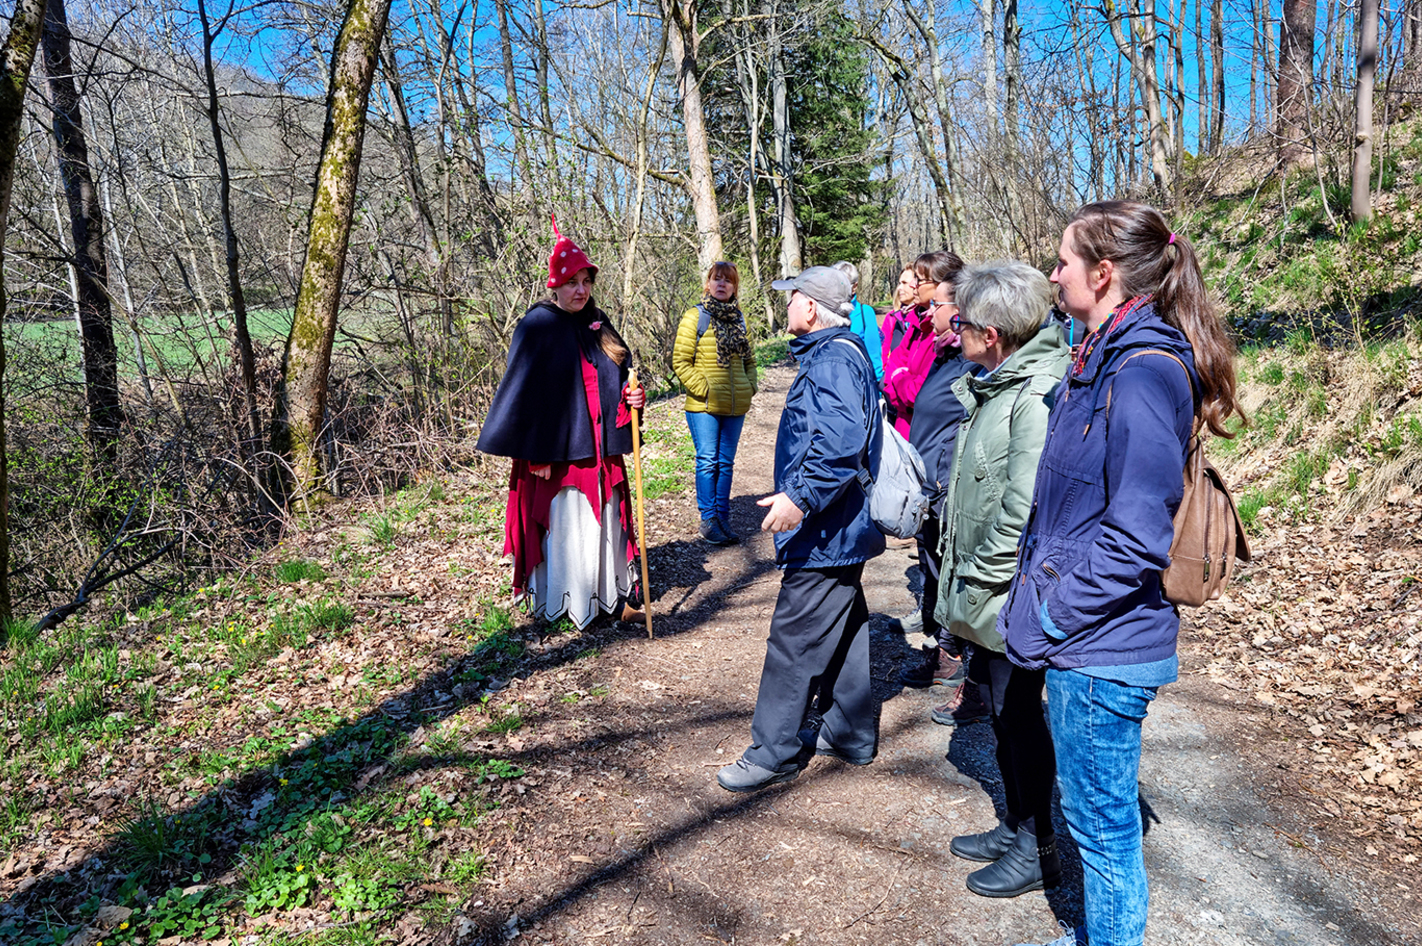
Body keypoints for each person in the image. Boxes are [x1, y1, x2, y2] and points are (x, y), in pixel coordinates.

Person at [1001, 201, 1243, 946]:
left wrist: (1050, 615)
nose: (1052, 273)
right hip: (1088, 642)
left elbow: (1136, 536)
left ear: (1103, 274)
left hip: (1102, 650)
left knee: (1103, 835)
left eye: (1064, 261)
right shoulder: (1098, 354)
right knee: (1095, 818)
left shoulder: (1141, 372)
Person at [717, 266, 885, 793]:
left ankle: (773, 751)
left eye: (791, 298)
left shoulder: (833, 360)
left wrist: (799, 498)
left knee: (793, 638)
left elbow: (838, 445)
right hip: (842, 526)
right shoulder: (841, 353)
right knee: (845, 622)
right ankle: (849, 731)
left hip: (827, 526)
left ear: (810, 308)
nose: (786, 306)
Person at [930, 261, 1069, 899]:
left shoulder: (1036, 392)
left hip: (1008, 592)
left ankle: (1039, 845)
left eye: (960, 324)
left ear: (991, 334)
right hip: (985, 591)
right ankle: (1015, 824)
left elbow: (1022, 508)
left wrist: (982, 580)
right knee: (1006, 717)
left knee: (1020, 715)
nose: (951, 332)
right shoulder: (999, 382)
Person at [476, 221, 647, 629]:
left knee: (606, 521)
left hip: (602, 450)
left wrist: (635, 397)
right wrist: (533, 450)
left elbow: (624, 377)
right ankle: (570, 603)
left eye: (586, 281)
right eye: (572, 282)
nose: (580, 290)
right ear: (555, 285)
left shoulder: (598, 322)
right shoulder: (537, 325)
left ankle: (611, 597)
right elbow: (522, 394)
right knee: (571, 526)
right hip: (558, 454)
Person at [672, 261, 758, 546]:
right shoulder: (695, 317)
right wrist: (705, 390)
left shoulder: (739, 320)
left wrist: (749, 386)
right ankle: (708, 520)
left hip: (735, 406)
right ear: (708, 283)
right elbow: (680, 361)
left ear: (734, 287)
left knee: (726, 463)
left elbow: (750, 361)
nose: (721, 284)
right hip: (704, 406)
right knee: (708, 461)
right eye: (716, 279)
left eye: (728, 280)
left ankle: (722, 517)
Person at [833, 261, 884, 382]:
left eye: (842, 283)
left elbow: (873, 354)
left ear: (854, 287)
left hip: (857, 382)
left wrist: (877, 388)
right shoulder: (823, 311)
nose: (837, 288)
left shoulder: (865, 313)